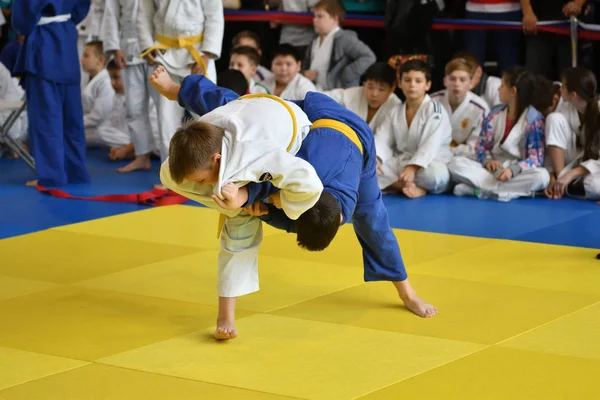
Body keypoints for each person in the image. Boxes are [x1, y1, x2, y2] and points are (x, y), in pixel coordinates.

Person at [150, 66, 438, 340]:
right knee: (239, 111)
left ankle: (406, 292)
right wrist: (251, 197)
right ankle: (179, 90)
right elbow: (265, 161)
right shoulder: (297, 164)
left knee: (374, 222)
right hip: (310, 114)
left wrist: (255, 202)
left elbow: (368, 228)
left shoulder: (348, 197)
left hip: (354, 145)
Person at [12, 0, 91, 187]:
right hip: (66, 40)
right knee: (72, 118)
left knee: (45, 118)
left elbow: (23, 18)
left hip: (44, 44)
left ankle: (51, 177)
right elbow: (81, 8)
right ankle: (76, 171)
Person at [448, 66, 550, 201]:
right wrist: (488, 160)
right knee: (455, 163)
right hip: (491, 170)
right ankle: (508, 192)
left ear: (513, 91)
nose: (498, 89)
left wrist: (512, 170)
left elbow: (535, 159)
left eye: (502, 85)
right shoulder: (495, 113)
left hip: (516, 171)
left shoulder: (533, 120)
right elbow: (481, 147)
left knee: (542, 176)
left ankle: (479, 191)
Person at [376, 59, 452, 198]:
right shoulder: (395, 110)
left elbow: (431, 145)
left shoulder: (435, 110)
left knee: (436, 176)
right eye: (407, 80)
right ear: (400, 83)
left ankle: (419, 187)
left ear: (427, 85)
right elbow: (382, 139)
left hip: (429, 163)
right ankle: (405, 186)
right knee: (369, 171)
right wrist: (377, 159)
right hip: (403, 160)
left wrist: (412, 167)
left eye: (418, 81)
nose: (412, 85)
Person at [431, 58, 490, 160]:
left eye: (462, 80)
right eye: (452, 79)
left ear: (471, 83)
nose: (457, 84)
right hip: (433, 156)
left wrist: (450, 151)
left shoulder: (481, 109)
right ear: (445, 81)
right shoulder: (431, 102)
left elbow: (475, 148)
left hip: (464, 159)